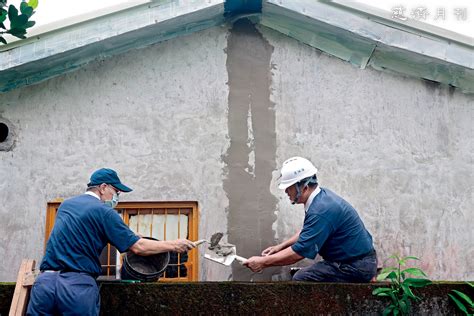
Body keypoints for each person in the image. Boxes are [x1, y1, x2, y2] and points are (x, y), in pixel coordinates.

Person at [27, 168, 195, 315]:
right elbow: (138, 247)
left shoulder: (66, 206)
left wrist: (125, 234)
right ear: (103, 187)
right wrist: (174, 244)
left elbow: (82, 235)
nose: (116, 197)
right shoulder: (105, 212)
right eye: (116, 192)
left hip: (45, 284)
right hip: (75, 287)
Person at [243, 157, 377, 282]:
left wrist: (263, 262)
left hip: (356, 266)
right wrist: (280, 247)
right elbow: (307, 231)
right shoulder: (320, 199)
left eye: (289, 188)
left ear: (304, 187)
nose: (286, 192)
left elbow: (299, 253)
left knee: (301, 277)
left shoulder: (321, 210)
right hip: (357, 261)